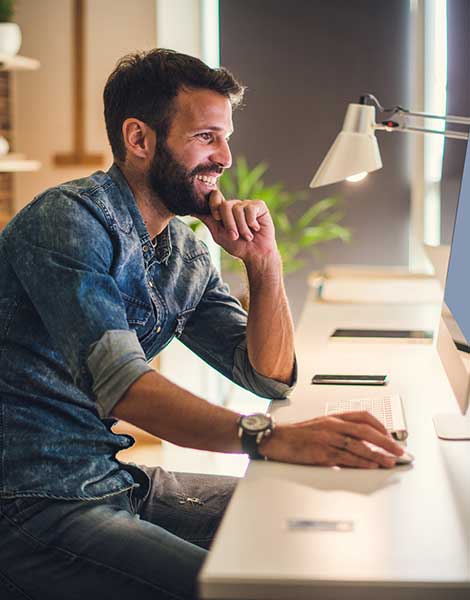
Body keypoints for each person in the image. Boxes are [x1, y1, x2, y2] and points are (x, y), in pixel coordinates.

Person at [0, 49, 404, 600]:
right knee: (245, 588)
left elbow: (267, 376)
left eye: (226, 137)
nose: (225, 157)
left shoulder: (183, 252)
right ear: (139, 139)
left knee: (301, 516)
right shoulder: (68, 222)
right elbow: (123, 386)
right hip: (31, 505)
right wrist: (268, 438)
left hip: (114, 483)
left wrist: (264, 264)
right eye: (206, 137)